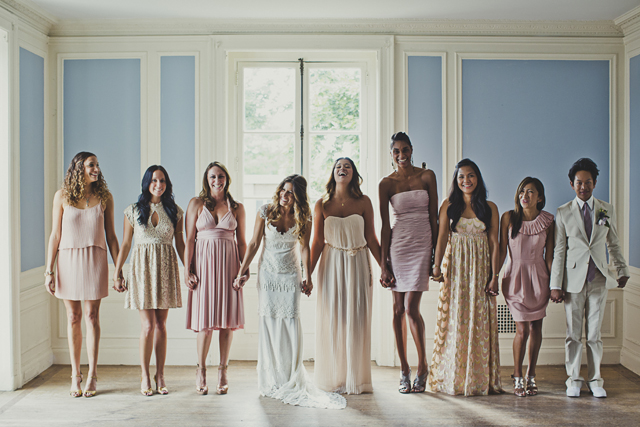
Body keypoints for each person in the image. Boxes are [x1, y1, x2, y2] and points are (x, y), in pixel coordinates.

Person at [234, 175, 346, 409]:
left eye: (291, 192)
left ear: (298, 196)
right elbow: (254, 243)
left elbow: (305, 247)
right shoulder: (265, 211)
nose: (285, 196)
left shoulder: (303, 217)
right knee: (269, 324)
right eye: (283, 190)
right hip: (267, 276)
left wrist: (307, 275)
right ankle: (272, 378)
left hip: (290, 276)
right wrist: (241, 272)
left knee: (290, 324)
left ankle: (290, 376)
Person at [549, 158, 629, 398]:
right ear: (572, 184)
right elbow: (559, 250)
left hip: (598, 280)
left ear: (595, 183)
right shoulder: (563, 212)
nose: (583, 187)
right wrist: (556, 284)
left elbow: (612, 243)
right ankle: (573, 378)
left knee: (594, 334)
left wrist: (622, 270)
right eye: (579, 183)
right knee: (573, 334)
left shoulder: (605, 209)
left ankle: (595, 380)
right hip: (572, 282)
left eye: (588, 182)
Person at [44, 152, 120, 398]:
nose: (96, 168)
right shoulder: (62, 196)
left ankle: (92, 374)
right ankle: (75, 375)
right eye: (91, 165)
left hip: (95, 259)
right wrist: (49, 270)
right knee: (74, 317)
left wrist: (119, 269)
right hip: (68, 260)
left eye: (97, 164)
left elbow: (111, 236)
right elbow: (55, 235)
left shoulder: (105, 197)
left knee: (91, 316)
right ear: (79, 168)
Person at [428, 158, 502, 396]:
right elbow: (441, 237)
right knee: (456, 320)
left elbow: (494, 242)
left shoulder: (489, 207)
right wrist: (436, 266)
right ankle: (455, 378)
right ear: (456, 180)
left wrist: (494, 276)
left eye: (470, 176)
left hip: (481, 271)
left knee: (480, 322)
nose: (466, 180)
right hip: (457, 269)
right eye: (461, 176)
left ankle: (479, 380)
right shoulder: (449, 205)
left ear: (477, 178)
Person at [310, 157, 382, 394]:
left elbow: (372, 238)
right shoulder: (322, 204)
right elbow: (318, 242)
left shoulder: (364, 202)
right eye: (338, 166)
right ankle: (334, 378)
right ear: (333, 173)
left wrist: (386, 268)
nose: (342, 169)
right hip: (331, 265)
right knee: (334, 320)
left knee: (357, 320)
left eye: (347, 166)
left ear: (354, 174)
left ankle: (357, 379)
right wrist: (307, 274)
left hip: (358, 263)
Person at [112, 165, 185, 396]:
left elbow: (180, 244)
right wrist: (117, 271)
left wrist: (189, 269)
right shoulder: (133, 210)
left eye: (162, 180)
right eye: (154, 180)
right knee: (147, 326)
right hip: (142, 269)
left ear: (167, 183)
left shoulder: (175, 211)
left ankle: (160, 374)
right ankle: (144, 375)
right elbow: (125, 244)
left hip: (165, 268)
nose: (158, 184)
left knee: (161, 325)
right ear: (147, 182)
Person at [379, 132, 438, 394]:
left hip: (422, 245)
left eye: (405, 150)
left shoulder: (427, 176)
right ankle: (404, 369)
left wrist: (437, 252)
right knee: (396, 310)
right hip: (398, 246)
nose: (401, 155)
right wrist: (383, 263)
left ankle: (423, 366)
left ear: (412, 150)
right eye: (396, 151)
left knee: (412, 308)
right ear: (391, 153)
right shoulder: (386, 184)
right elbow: (383, 226)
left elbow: (435, 217)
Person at [184, 162, 246, 395]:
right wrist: (186, 270)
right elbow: (190, 239)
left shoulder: (237, 207)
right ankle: (201, 370)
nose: (216, 180)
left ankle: (223, 371)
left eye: (220, 176)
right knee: (205, 323)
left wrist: (244, 268)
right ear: (206, 179)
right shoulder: (196, 204)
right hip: (203, 267)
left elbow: (242, 241)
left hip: (230, 266)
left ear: (227, 179)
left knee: (227, 323)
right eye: (212, 176)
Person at [499, 177, 554, 397]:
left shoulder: (549, 221)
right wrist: (493, 275)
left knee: (536, 328)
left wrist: (554, 284)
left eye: (530, 192)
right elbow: (501, 252)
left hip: (539, 278)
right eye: (522, 191)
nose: (525, 196)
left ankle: (531, 375)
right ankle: (517, 376)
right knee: (521, 330)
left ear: (540, 197)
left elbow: (549, 256)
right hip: (514, 278)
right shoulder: (509, 218)